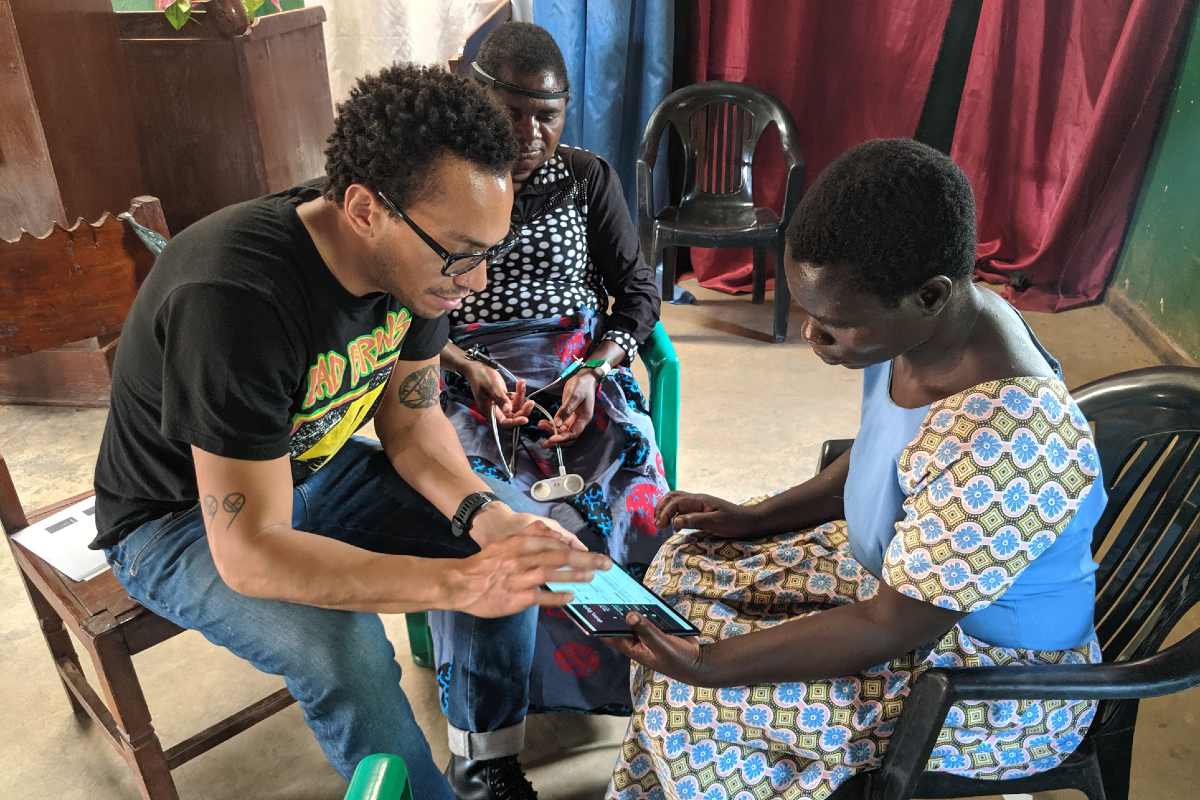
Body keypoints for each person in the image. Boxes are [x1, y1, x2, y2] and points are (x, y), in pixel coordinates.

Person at [90, 64, 611, 800]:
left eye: (488, 252)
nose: (478, 282)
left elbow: (411, 424)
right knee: (345, 646)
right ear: (365, 208)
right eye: (464, 255)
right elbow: (250, 551)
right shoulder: (234, 297)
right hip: (177, 523)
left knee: (513, 534)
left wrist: (486, 519)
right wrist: (456, 583)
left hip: (302, 466)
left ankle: (486, 763)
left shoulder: (423, 262)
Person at [605, 139, 1106, 799]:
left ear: (930, 294)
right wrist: (758, 517)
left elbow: (893, 625)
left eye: (837, 324)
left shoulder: (1001, 435)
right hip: (905, 581)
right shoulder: (931, 328)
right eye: (807, 310)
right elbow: (876, 457)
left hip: (992, 680)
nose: (811, 336)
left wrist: (710, 664)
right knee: (686, 563)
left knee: (688, 694)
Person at [431, 22, 670, 718]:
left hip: (576, 369)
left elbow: (637, 294)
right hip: (468, 372)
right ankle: (506, 705)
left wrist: (596, 371)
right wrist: (465, 364)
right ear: (477, 103)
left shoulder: (587, 177)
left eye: (549, 114)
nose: (533, 133)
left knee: (631, 490)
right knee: (498, 512)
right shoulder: (439, 184)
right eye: (514, 114)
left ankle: (645, 674)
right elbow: (405, 315)